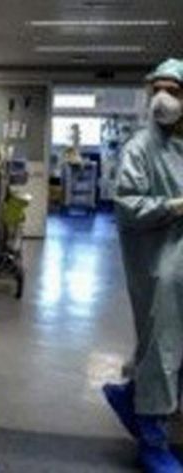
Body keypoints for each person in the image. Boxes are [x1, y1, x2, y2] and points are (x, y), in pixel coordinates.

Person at [104, 58, 183, 473]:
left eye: (173, 91)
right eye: (158, 90)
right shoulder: (141, 147)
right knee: (163, 347)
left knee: (173, 349)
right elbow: (126, 206)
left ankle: (131, 394)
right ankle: (153, 441)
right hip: (159, 263)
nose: (163, 99)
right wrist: (173, 205)